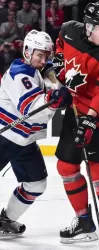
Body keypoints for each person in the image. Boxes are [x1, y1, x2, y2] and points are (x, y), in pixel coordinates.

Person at [52, 1, 99, 249]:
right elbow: (60, 48)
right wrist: (59, 76)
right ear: (87, 26)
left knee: (98, 170)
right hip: (76, 109)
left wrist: (90, 118)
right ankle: (84, 221)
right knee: (66, 166)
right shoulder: (69, 30)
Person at [0, 30, 72, 235]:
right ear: (27, 52)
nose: (44, 60)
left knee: (36, 184)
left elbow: (53, 86)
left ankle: (6, 220)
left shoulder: (37, 72)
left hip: (24, 141)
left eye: (46, 55)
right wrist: (54, 101)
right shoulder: (19, 73)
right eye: (40, 55)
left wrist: (58, 89)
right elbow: (31, 110)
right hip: (4, 138)